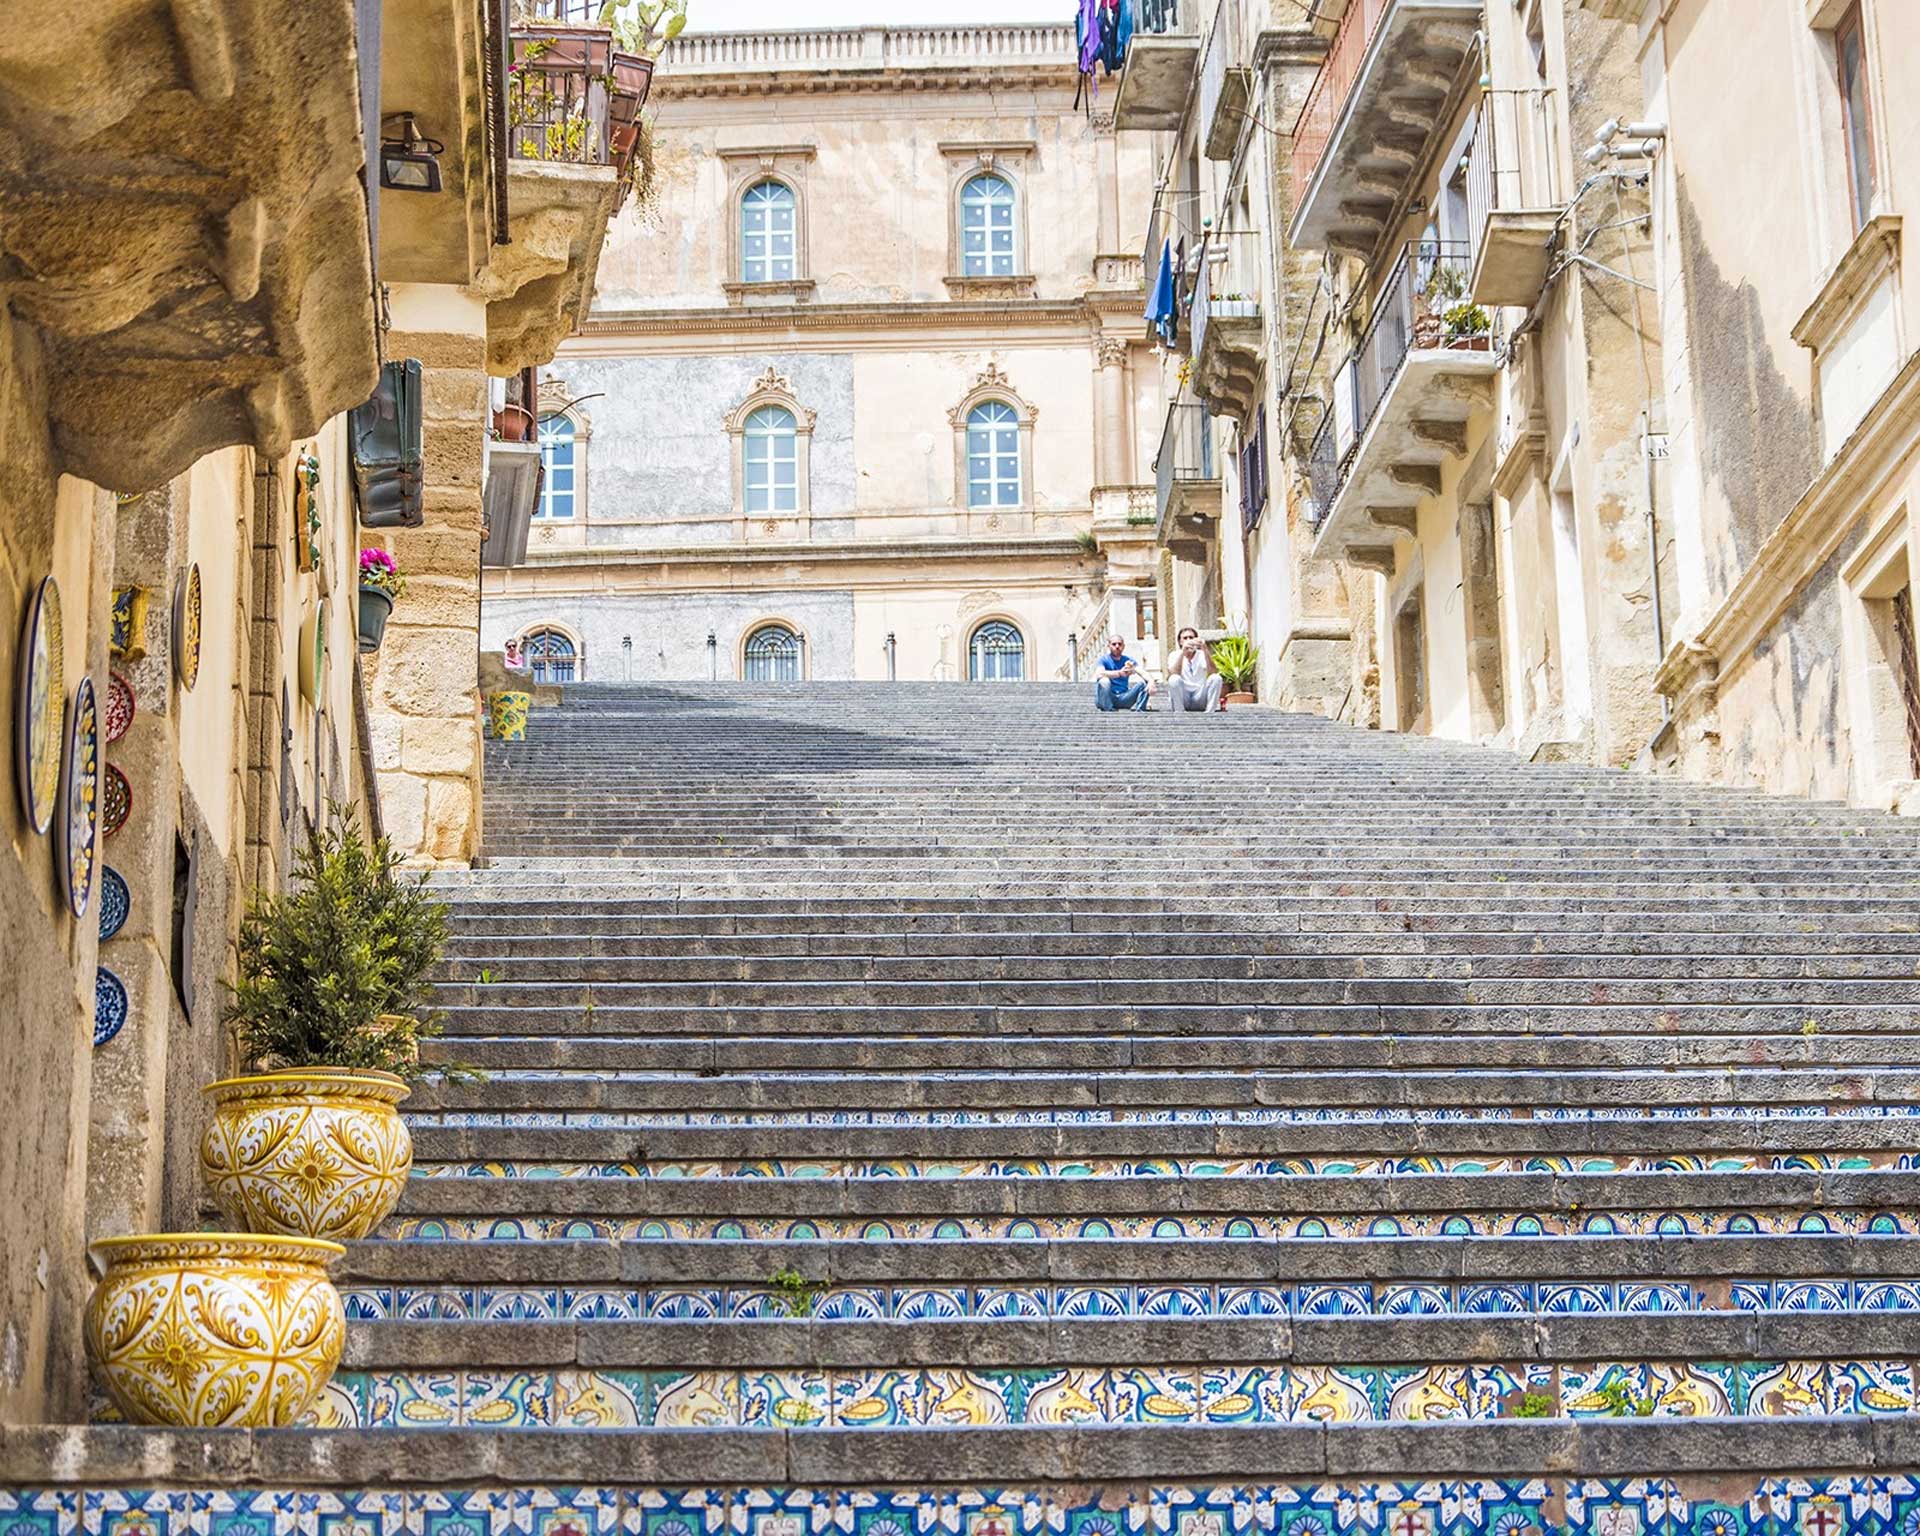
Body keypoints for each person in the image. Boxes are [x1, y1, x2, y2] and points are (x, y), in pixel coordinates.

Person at [1165, 627, 1222, 713]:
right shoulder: (1174, 655)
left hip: (1200, 696)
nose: (1188, 640)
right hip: (1184, 697)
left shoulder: (1202, 655)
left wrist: (1205, 648)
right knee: (1174, 679)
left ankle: (1210, 712)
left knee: (1216, 678)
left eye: (1191, 638)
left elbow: (1213, 671)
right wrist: (1183, 653)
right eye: (1185, 638)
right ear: (1180, 642)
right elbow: (1173, 673)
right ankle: (1179, 712)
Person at [1095, 635, 1151, 711]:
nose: (1117, 646)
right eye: (1114, 644)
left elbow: (1143, 672)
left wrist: (1151, 682)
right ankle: (1108, 709)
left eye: (1120, 644)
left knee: (1144, 683)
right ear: (1109, 646)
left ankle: (1140, 710)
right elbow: (1099, 674)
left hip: (1124, 697)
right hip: (1107, 698)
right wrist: (1119, 673)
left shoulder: (1128, 660)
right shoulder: (1103, 660)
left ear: (1123, 646)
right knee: (1104, 681)